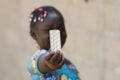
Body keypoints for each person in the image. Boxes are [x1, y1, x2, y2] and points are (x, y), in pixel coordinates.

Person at [28, 6, 81, 80]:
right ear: (34, 35)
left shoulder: (67, 63)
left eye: (61, 29)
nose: (57, 34)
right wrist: (47, 64)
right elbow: (42, 63)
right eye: (48, 30)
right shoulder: (36, 59)